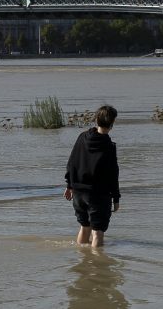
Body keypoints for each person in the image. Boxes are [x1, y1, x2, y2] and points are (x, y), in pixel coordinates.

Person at [64, 105, 121, 247]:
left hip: (78, 193)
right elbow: (113, 175)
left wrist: (69, 185)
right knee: (98, 232)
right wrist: (116, 198)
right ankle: (97, 266)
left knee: (84, 227)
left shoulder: (82, 137)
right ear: (112, 124)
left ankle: (83, 260)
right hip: (98, 195)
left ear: (96, 119)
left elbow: (72, 162)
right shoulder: (109, 146)